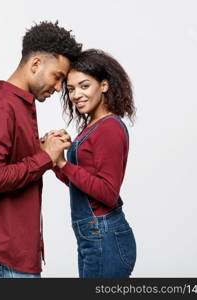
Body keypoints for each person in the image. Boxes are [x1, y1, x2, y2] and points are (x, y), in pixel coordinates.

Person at [0, 21, 81, 278]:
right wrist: (44, 157)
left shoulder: (18, 106)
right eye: (58, 77)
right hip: (8, 257)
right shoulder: (0, 109)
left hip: (15, 254)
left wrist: (41, 150)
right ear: (36, 64)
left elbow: (7, 166)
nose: (58, 88)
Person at [50, 49, 137, 277]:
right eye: (71, 89)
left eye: (84, 86)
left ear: (104, 86)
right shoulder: (93, 125)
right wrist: (54, 159)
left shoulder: (109, 127)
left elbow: (107, 193)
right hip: (93, 235)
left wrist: (63, 164)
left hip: (104, 235)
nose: (76, 94)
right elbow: (83, 187)